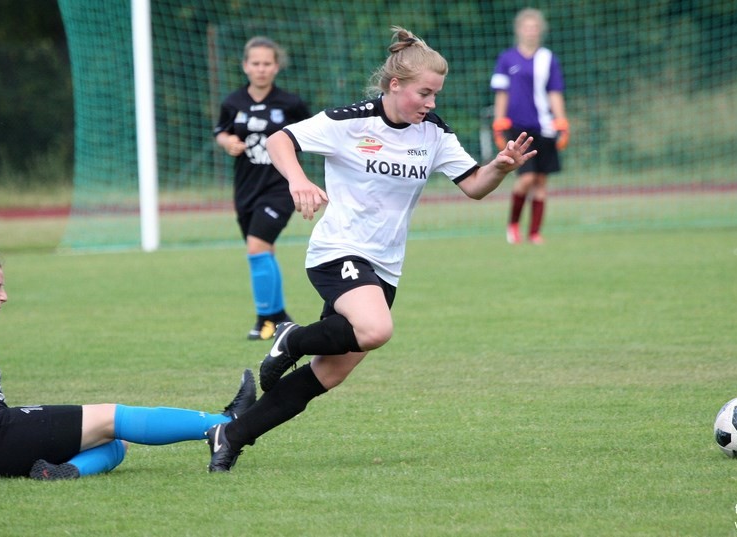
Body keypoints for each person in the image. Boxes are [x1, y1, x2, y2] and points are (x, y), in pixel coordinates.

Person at [203, 27, 536, 472]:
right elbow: (280, 139)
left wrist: (500, 167)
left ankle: (231, 436)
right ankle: (290, 338)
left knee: (329, 373)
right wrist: (298, 180)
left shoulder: (433, 133)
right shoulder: (351, 121)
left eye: (435, 95)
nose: (431, 103)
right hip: (338, 251)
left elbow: (474, 185)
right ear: (395, 85)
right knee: (376, 329)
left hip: (385, 268)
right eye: (424, 93)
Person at [0, 248, 257, 480]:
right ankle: (225, 423)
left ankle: (63, 473)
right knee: (111, 416)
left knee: (116, 442)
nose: (4, 296)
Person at [213, 36, 312, 340]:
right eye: (255, 63)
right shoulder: (233, 102)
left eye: (267, 63)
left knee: (256, 248)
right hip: (246, 188)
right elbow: (221, 132)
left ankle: (264, 321)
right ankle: (280, 318)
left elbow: (312, 134)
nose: (261, 69)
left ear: (276, 67)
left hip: (280, 188)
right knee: (264, 251)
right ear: (245, 66)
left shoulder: (291, 104)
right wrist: (228, 142)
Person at [490, 8, 569, 245]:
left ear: (540, 31)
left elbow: (554, 92)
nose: (531, 31)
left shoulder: (548, 59)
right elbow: (501, 93)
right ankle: (513, 225)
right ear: (519, 30)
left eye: (535, 27)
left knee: (541, 181)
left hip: (544, 126)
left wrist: (562, 121)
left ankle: (534, 233)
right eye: (527, 27)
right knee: (526, 178)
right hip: (517, 127)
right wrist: (499, 121)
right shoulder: (506, 59)